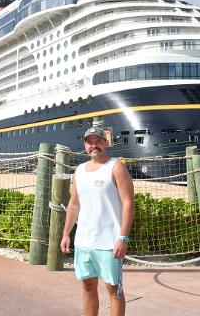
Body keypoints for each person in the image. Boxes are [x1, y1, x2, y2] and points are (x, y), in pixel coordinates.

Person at [61, 126, 135, 316]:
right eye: (89, 142)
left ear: (106, 143)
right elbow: (74, 204)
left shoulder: (116, 166)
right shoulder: (79, 170)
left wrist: (123, 237)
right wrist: (66, 234)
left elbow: (128, 203)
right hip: (84, 241)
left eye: (98, 141)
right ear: (85, 145)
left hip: (109, 242)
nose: (93, 145)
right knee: (87, 286)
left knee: (114, 290)